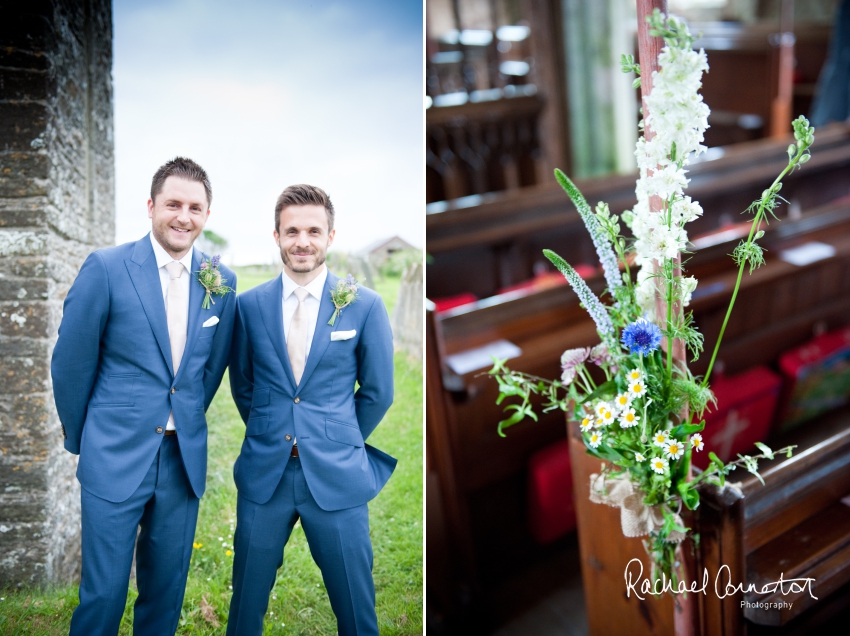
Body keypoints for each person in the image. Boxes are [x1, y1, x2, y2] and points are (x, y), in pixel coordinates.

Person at [52, 157, 237, 635]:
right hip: (113, 453)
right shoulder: (107, 268)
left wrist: (186, 417)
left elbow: (208, 370)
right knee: (103, 595)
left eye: (195, 207)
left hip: (182, 460)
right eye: (173, 203)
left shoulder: (222, 283)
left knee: (165, 593)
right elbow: (71, 364)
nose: (183, 216)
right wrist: (85, 438)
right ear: (151, 206)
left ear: (207, 215)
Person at [226, 184, 396, 636]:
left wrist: (336, 436)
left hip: (337, 473)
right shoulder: (248, 307)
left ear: (331, 236)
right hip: (266, 474)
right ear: (277, 236)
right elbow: (243, 385)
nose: (303, 241)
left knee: (357, 612)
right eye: (293, 231)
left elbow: (378, 391)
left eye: (313, 231)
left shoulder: (364, 304)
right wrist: (272, 429)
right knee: (245, 606)